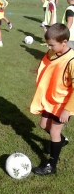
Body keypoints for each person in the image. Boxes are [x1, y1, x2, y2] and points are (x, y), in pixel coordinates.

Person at [30, 23, 74, 176]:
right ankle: (61, 141)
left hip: (63, 104)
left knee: (54, 131)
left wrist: (68, 110)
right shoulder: (54, 53)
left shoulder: (72, 61)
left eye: (52, 45)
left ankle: (51, 165)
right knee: (43, 125)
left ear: (64, 42)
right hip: (50, 100)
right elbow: (49, 64)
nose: (49, 48)